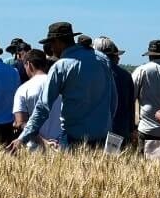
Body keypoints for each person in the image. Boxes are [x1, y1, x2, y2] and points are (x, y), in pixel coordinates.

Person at [9, 22, 116, 152]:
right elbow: (113, 100)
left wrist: (23, 138)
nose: (51, 49)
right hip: (103, 137)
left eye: (51, 44)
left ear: (58, 41)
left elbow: (43, 107)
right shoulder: (102, 59)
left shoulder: (61, 66)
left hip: (74, 140)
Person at [12, 49, 65, 149]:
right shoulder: (61, 85)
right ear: (45, 64)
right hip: (62, 145)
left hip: (35, 148)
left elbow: (20, 122)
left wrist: (44, 142)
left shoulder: (23, 89)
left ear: (29, 64)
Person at [93, 36, 136, 145]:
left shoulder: (91, 74)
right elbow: (130, 107)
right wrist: (131, 129)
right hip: (119, 130)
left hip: (96, 130)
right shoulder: (125, 75)